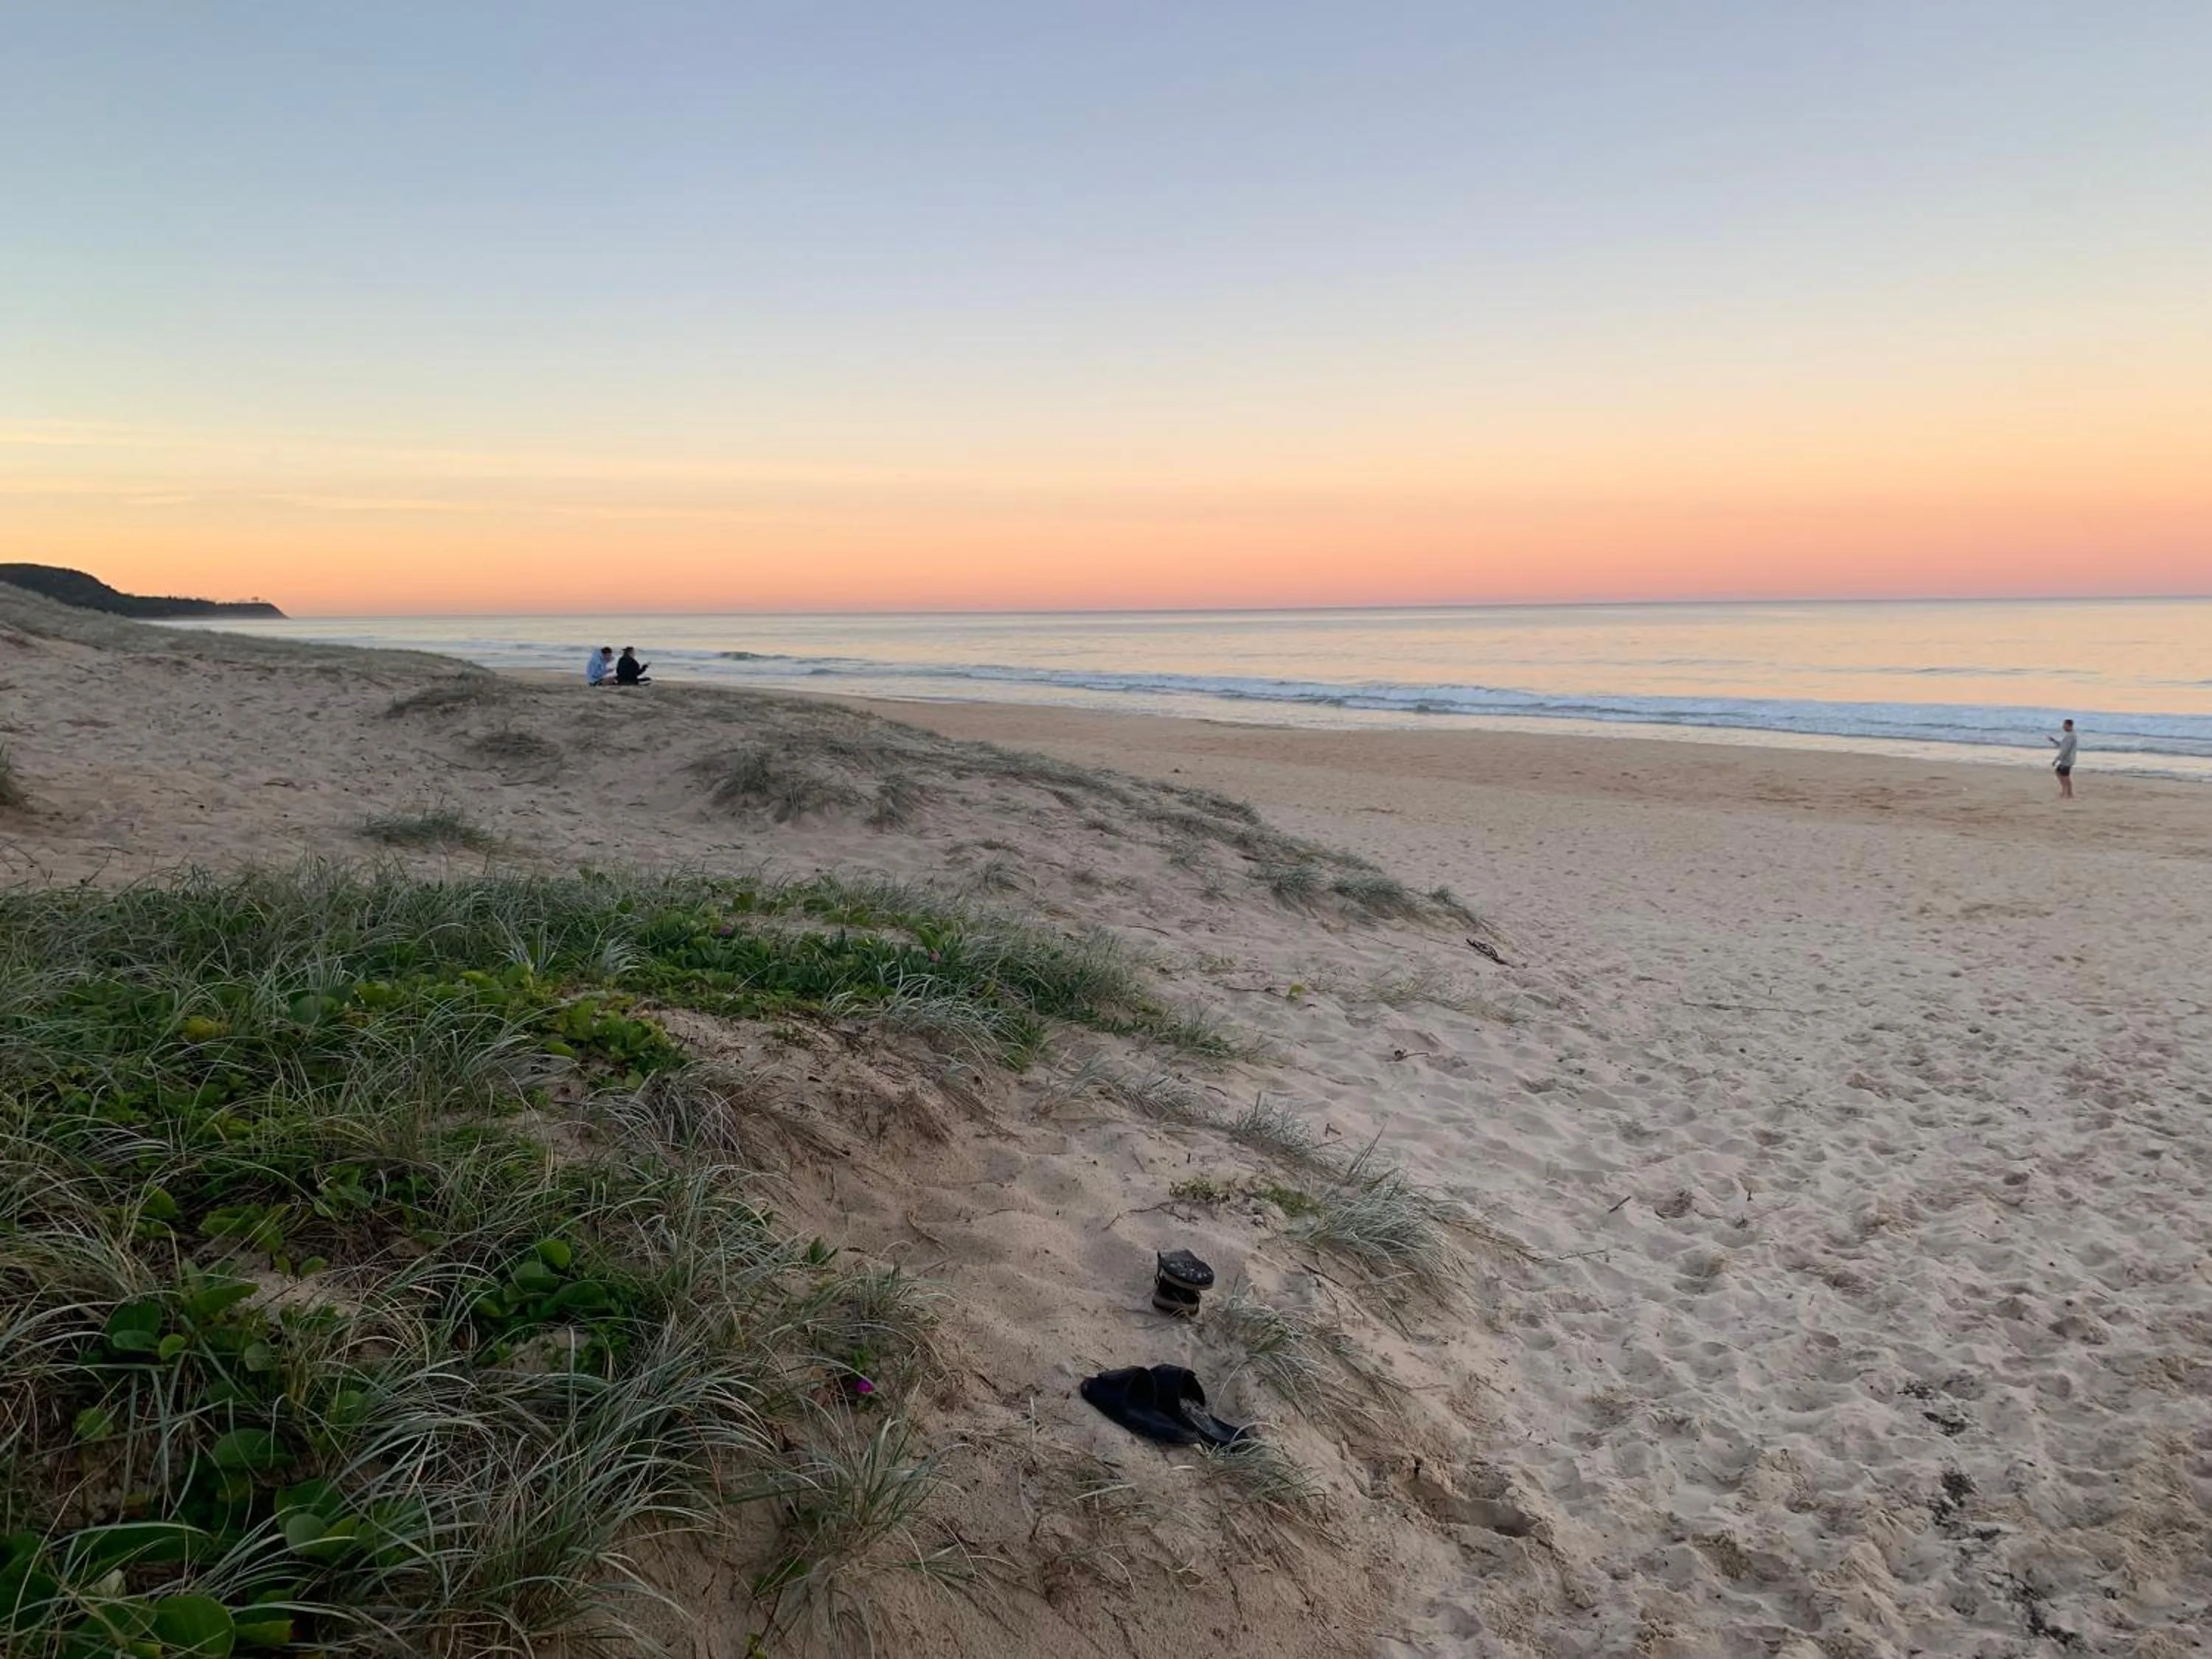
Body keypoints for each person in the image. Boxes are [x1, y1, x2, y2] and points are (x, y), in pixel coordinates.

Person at [2048, 717, 2077, 799]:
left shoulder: (2071, 736)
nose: (2063, 727)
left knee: (2064, 775)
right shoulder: (2070, 735)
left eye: (2064, 725)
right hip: (2067, 759)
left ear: (2069, 725)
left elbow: (2065, 750)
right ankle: (2069, 793)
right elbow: (2062, 746)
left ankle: (2066, 792)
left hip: (2067, 760)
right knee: (2061, 774)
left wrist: (2056, 760)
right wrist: (2054, 741)